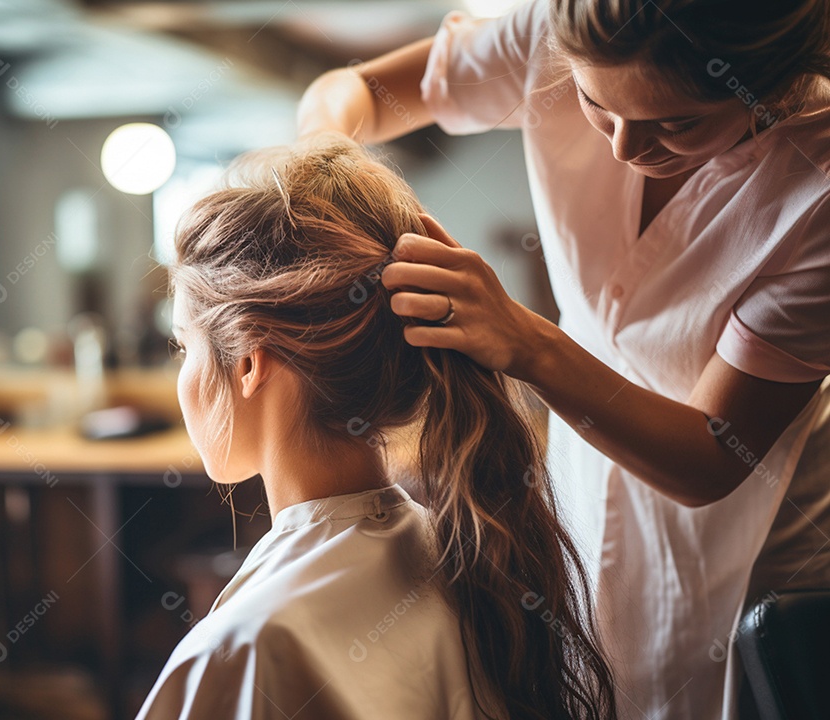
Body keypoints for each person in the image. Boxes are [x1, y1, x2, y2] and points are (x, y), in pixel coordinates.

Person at [295, 1, 830, 719]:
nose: (624, 147)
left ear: (770, 86)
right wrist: (324, 170)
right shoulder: (547, 34)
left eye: (678, 124)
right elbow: (353, 91)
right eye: (594, 102)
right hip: (588, 476)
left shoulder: (817, 188)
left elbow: (712, 457)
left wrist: (525, 341)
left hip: (748, 536)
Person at [135, 135, 617, 719]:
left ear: (247, 362)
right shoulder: (476, 560)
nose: (183, 372)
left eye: (184, 346)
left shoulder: (246, 647)